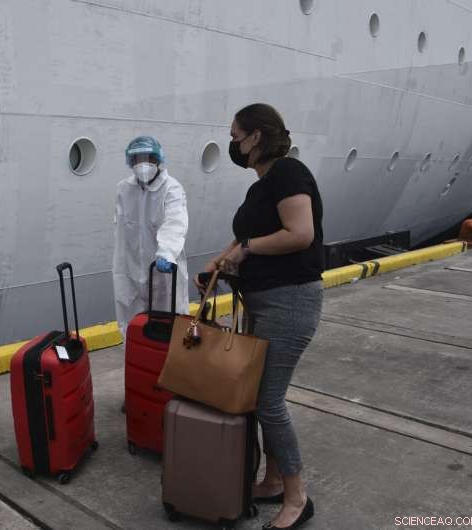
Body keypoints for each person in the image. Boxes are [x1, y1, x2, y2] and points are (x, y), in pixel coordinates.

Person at [195, 104, 323, 529]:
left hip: (290, 302)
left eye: (236, 136)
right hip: (264, 303)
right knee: (260, 397)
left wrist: (246, 251)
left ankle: (297, 497)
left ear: (256, 136)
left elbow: (300, 234)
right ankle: (271, 481)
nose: (233, 144)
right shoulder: (262, 186)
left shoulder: (288, 172)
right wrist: (217, 264)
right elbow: (244, 237)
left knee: (269, 402)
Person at [113, 136, 189, 338]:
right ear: (130, 162)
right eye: (137, 159)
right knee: (133, 324)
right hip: (130, 270)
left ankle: (166, 357)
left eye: (148, 158)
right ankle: (134, 354)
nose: (143, 164)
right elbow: (120, 230)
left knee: (166, 325)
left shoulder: (171, 189)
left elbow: (175, 222)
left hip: (163, 271)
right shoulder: (124, 189)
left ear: (158, 160)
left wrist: (166, 252)